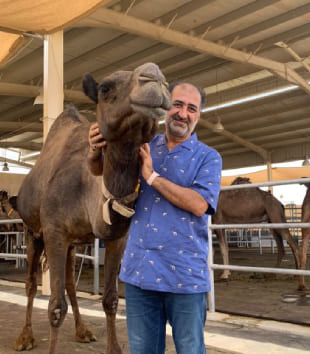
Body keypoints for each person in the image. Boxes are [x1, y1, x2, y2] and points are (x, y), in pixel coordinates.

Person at [88, 81, 222, 354]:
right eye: (177, 104)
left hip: (184, 277)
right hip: (140, 274)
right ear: (165, 107)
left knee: (190, 349)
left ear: (198, 115)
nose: (183, 113)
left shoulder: (208, 157)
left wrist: (152, 177)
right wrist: (94, 150)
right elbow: (102, 172)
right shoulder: (143, 145)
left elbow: (199, 205)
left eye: (191, 108)